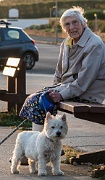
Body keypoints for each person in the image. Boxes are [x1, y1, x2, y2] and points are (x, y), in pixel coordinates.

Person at [19, 6, 105, 132]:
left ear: (83, 23)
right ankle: (42, 144)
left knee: (41, 100)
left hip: (88, 94)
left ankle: (42, 146)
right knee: (38, 98)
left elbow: (83, 81)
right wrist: (55, 89)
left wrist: (60, 95)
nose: (71, 27)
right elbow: (59, 72)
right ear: (64, 28)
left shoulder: (94, 44)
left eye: (75, 22)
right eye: (67, 25)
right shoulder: (66, 43)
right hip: (69, 88)